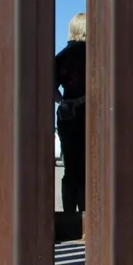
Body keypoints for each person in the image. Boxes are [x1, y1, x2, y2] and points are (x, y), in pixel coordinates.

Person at [55, 13, 87, 213]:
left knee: (71, 168)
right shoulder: (95, 54)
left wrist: (66, 101)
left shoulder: (63, 55)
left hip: (68, 114)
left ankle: (69, 214)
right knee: (88, 166)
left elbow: (50, 85)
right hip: (89, 115)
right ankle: (87, 213)